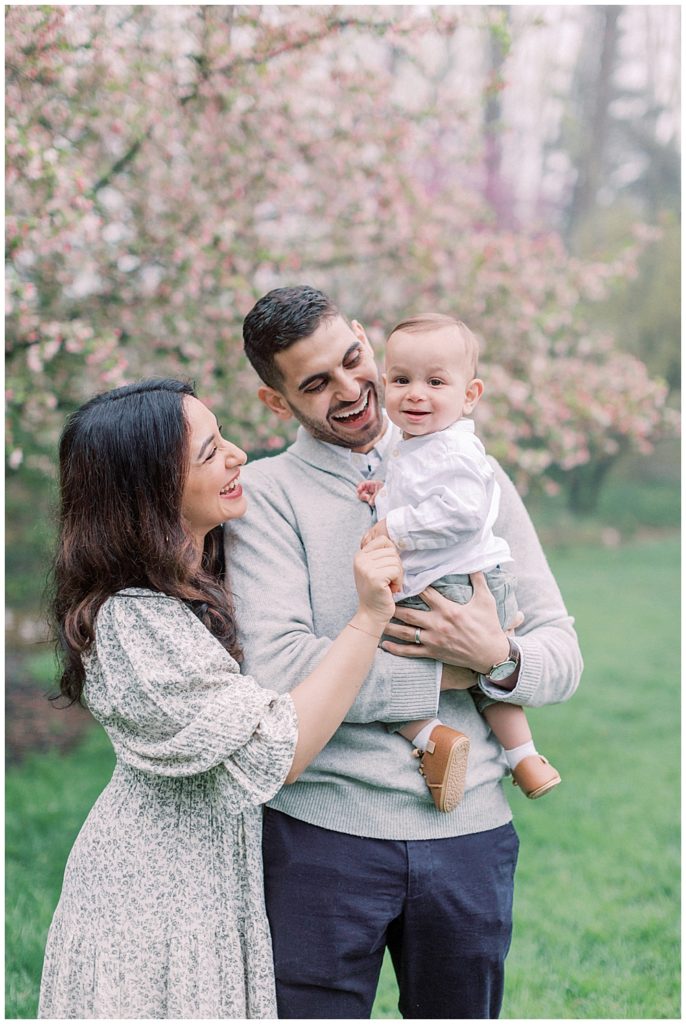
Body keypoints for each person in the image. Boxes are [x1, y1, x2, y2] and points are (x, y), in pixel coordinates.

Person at [227, 285, 583, 1020]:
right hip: (322, 837)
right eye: (315, 384)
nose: (353, 391)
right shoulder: (265, 497)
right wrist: (457, 669)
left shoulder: (467, 467)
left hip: (471, 836)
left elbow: (560, 648)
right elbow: (285, 678)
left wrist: (501, 657)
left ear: (366, 338)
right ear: (275, 402)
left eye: (355, 361)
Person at [38, 378, 402, 1020]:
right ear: (149, 493)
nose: (238, 456)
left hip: (208, 880)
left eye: (223, 437)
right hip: (154, 898)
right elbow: (274, 750)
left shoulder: (195, 577)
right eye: (209, 453)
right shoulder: (134, 621)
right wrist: (368, 619)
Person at [356, 313, 561, 812]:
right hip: (465, 584)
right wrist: (383, 495)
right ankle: (525, 757)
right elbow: (426, 495)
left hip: (453, 585)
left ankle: (430, 737)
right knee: (487, 678)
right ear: (384, 385)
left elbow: (463, 511)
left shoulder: (455, 449)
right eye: (402, 380)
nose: (416, 394)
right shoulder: (420, 447)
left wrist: (393, 526)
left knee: (371, 662)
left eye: (436, 382)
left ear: (469, 396)